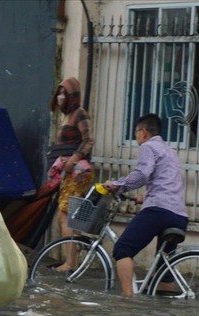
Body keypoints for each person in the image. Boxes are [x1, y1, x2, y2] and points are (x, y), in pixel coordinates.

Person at [102, 113, 188, 297]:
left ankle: (127, 300)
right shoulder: (169, 151)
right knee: (163, 269)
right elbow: (166, 181)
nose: (136, 138)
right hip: (179, 215)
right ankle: (165, 304)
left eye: (136, 133)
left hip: (159, 211)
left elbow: (142, 175)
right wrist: (146, 195)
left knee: (123, 249)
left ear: (142, 132)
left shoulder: (148, 147)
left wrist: (116, 185)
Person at [48, 77, 95, 271]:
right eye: (59, 93)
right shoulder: (67, 115)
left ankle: (70, 262)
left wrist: (73, 159)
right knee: (68, 216)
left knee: (65, 216)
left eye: (64, 93)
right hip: (69, 173)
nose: (60, 97)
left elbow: (88, 140)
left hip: (76, 173)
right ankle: (71, 259)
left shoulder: (79, 114)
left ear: (72, 96)